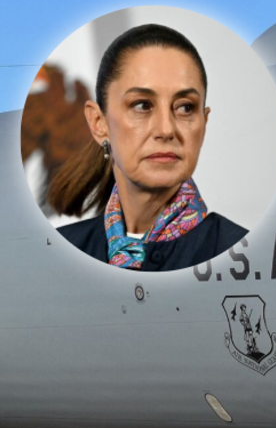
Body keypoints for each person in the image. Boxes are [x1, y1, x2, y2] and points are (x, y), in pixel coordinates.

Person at [49, 24, 247, 271]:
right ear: (99, 123)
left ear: (203, 123)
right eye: (142, 105)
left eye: (185, 107)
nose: (166, 129)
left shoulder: (249, 254)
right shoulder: (53, 258)